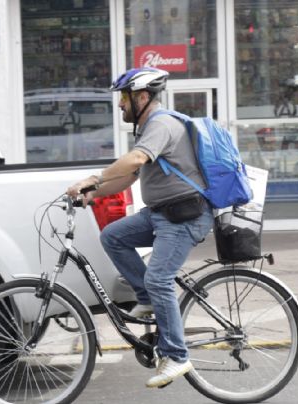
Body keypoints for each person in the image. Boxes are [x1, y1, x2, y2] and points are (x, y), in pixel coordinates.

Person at [66, 67, 214, 388]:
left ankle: (176, 355)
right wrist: (92, 194)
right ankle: (146, 295)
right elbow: (131, 176)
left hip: (184, 216)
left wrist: (94, 177)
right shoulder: (148, 128)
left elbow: (133, 161)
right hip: (162, 213)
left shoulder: (161, 124)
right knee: (114, 236)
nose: (120, 104)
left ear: (142, 97)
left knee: (160, 277)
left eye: (124, 97)